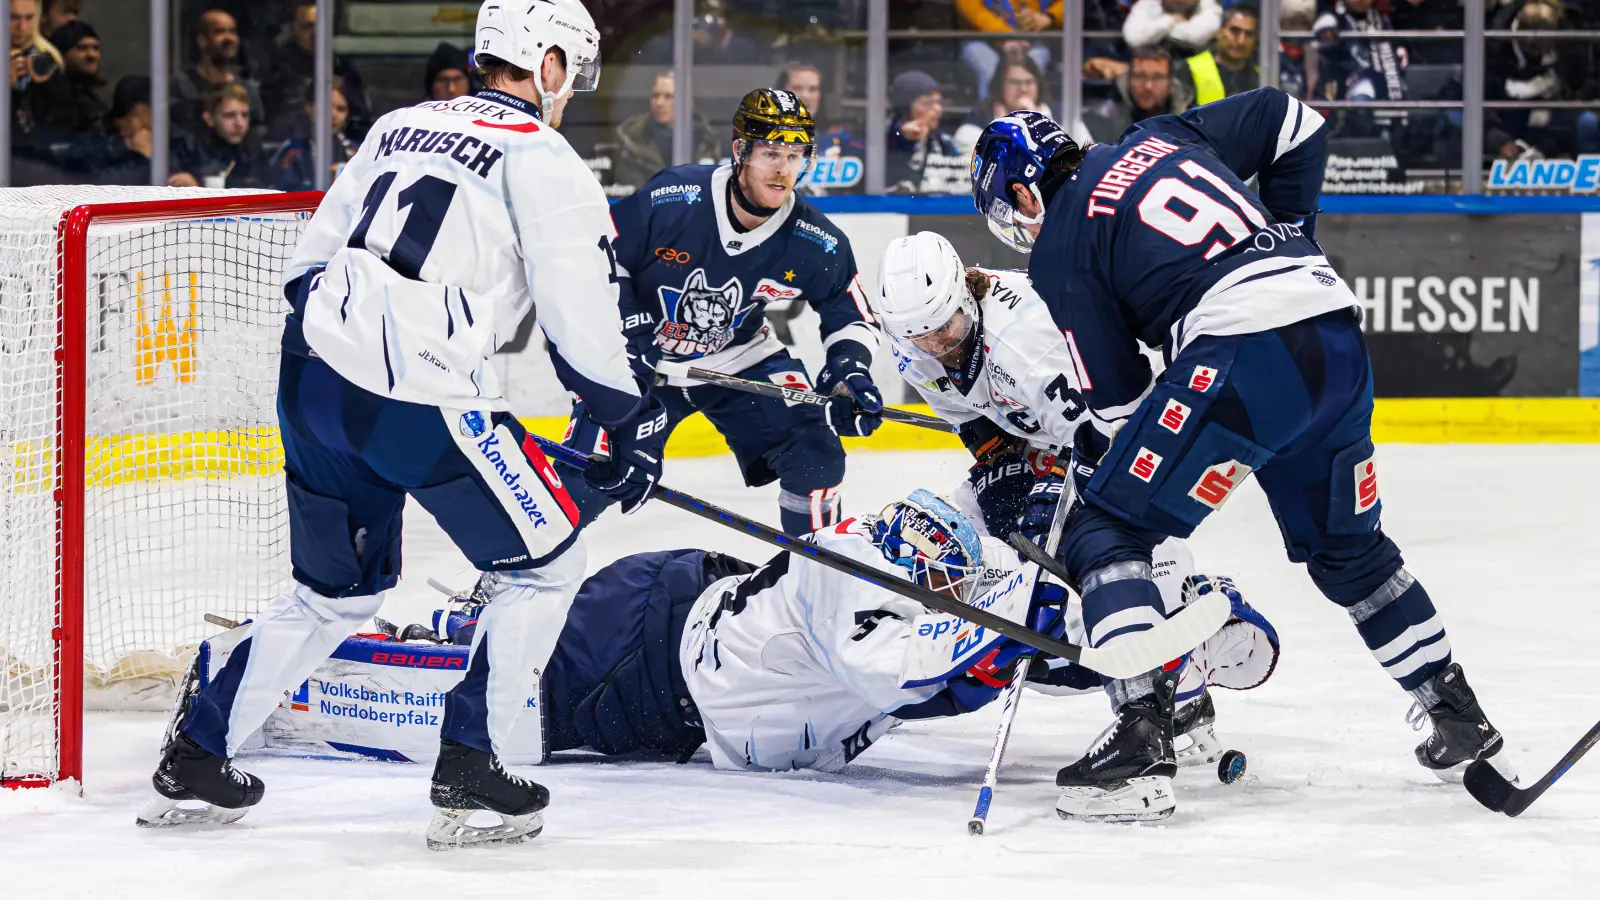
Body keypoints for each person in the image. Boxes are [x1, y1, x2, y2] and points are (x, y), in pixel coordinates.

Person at [140, 0, 670, 852]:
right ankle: (474, 760)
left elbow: (310, 263)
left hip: (310, 380)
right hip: (416, 398)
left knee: (333, 594)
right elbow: (583, 316)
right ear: (549, 65)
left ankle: (199, 751)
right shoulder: (543, 156)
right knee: (548, 562)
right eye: (572, 68)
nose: (570, 89)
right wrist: (626, 418)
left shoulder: (398, 124)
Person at [969, 91, 1515, 823]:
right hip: (1334, 333)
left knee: (1105, 529)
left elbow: (1121, 409)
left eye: (1013, 209)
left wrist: (1100, 452)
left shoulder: (1063, 242)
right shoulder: (1158, 136)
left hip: (1245, 356)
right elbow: (1298, 123)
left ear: (1027, 187)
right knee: (1351, 552)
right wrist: (1294, 234)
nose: (1021, 226)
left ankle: (1139, 746)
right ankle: (1457, 716)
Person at [199, 491, 1281, 775]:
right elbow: (929, 675)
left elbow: (988, 625)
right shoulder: (853, 592)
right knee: (466, 704)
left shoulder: (910, 556)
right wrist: (1057, 630)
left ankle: (398, 634)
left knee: (478, 654)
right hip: (633, 668)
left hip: (663, 622)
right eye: (957, 573)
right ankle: (245, 680)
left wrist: (1130, 639)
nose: (970, 581)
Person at [560, 88, 883, 538]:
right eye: (770, 152)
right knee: (584, 473)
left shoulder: (816, 240)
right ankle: (505, 584)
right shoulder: (674, 197)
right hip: (640, 360)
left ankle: (818, 582)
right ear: (740, 152)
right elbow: (604, 257)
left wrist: (848, 371)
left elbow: (849, 313)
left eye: (795, 155)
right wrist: (627, 337)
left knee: (817, 455)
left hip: (738, 357)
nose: (783, 169)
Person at [261, 0, 373, 141]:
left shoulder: (343, 66)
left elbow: (360, 117)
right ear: (292, 28)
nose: (315, 33)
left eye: (321, 25)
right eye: (307, 27)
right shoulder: (275, 68)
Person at [61, 74, 200, 186]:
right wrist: (144, 159)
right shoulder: (93, 144)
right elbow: (95, 186)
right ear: (131, 115)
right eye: (152, 109)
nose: (162, 115)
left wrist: (192, 185)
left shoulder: (175, 140)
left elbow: (187, 174)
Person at [611, 70, 718, 192]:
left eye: (668, 97)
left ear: (687, 101)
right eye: (655, 96)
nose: (659, 103)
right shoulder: (630, 140)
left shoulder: (706, 139)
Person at [171, 8, 265, 134]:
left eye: (232, 31)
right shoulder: (181, 85)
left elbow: (257, 131)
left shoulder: (248, 88)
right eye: (220, 31)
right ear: (202, 41)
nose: (229, 38)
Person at [954, 52, 1056, 162]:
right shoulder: (972, 131)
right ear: (1000, 86)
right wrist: (1004, 130)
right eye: (1014, 82)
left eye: (1029, 82)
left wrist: (1037, 124)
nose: (1023, 89)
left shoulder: (1064, 121)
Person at [1081, 46, 1193, 143]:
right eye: (1139, 76)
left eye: (1157, 77)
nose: (1148, 86)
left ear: (1170, 82)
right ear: (1128, 79)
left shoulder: (1190, 124)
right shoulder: (1105, 122)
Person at [954, 1, 1060, 102]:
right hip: (981, 38)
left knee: (1032, 68)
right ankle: (990, 117)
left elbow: (1072, 5)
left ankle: (1027, 115)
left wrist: (1049, 16)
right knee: (990, 71)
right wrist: (1006, 35)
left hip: (1030, 38)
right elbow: (973, 10)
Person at [173, 82, 269, 188]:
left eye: (245, 115)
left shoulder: (252, 144)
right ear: (209, 119)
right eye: (230, 115)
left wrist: (203, 183)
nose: (240, 124)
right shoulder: (189, 145)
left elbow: (263, 183)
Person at [886, 70, 965, 194]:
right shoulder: (887, 136)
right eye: (927, 103)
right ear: (905, 108)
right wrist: (901, 136)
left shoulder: (943, 142)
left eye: (939, 102)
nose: (937, 109)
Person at [269, 83, 360, 191]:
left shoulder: (358, 153)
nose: (333, 114)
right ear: (309, 107)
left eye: (341, 109)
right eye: (327, 106)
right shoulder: (292, 150)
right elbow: (283, 190)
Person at [1172, 2, 1259, 107]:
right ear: (1219, 32)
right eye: (1234, 31)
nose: (1241, 41)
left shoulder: (1261, 73)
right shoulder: (1192, 69)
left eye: (1248, 34)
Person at [39, 19, 103, 137]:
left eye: (95, 48)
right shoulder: (50, 99)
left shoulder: (91, 98)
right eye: (82, 48)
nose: (92, 55)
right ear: (61, 54)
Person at [1122, 0, 1223, 55]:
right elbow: (1133, 37)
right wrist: (1170, 20)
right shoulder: (1148, 4)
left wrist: (1155, 31)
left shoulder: (1209, 6)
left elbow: (1196, 35)